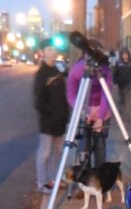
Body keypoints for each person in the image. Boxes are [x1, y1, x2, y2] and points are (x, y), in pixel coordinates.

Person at [66, 49, 114, 170]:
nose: (90, 67)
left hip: (102, 114)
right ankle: (84, 177)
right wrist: (82, 113)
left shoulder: (105, 71)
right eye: (88, 62)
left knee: (100, 149)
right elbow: (71, 95)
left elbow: (106, 95)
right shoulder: (76, 71)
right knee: (83, 149)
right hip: (84, 113)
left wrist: (100, 118)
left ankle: (99, 178)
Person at [33, 45, 71, 194]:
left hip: (60, 120)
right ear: (44, 54)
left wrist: (65, 115)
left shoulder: (57, 72)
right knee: (45, 153)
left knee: (58, 151)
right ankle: (42, 183)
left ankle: (56, 179)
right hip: (48, 122)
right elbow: (39, 100)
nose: (53, 55)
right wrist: (50, 114)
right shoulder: (41, 74)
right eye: (50, 52)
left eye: (54, 52)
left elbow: (63, 96)